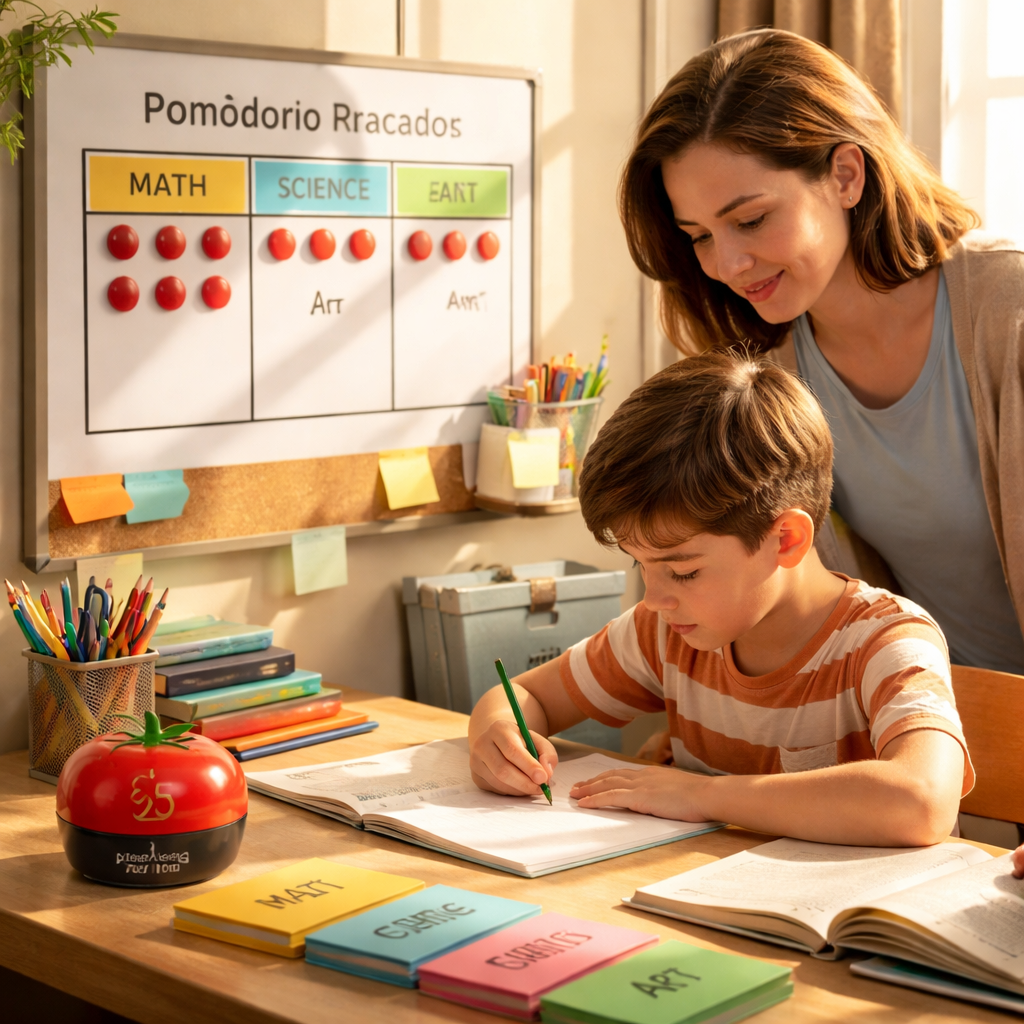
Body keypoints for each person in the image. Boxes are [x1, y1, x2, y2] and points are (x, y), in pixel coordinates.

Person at [618, 29, 1024, 679]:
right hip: (930, 720)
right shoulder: (767, 375)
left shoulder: (1007, 313)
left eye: (749, 219)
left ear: (844, 174)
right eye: (698, 235)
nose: (727, 263)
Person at [468, 352, 974, 845]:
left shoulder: (886, 640)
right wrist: (498, 735)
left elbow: (922, 801)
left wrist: (705, 795)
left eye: (683, 572)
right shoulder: (664, 631)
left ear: (786, 540)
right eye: (639, 565)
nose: (653, 598)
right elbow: (523, 696)